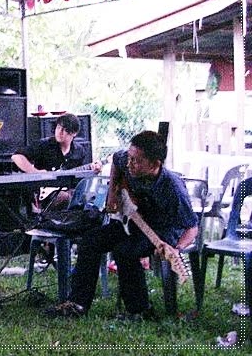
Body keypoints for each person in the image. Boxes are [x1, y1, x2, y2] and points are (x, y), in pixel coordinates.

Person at [46, 131, 198, 319]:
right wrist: (112, 194)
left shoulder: (173, 188)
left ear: (154, 164)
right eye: (130, 158)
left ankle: (140, 310)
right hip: (134, 222)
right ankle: (77, 304)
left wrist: (177, 248)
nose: (129, 163)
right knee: (91, 240)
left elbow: (192, 227)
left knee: (126, 251)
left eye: (136, 161)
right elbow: (117, 160)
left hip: (162, 231)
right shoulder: (127, 160)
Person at [12, 113, 101, 211]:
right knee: (65, 197)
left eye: (65, 130)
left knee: (88, 197)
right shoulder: (44, 145)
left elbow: (83, 177)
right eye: (58, 127)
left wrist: (94, 170)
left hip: (67, 191)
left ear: (74, 133)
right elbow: (17, 156)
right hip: (44, 194)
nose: (60, 132)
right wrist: (34, 172)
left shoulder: (79, 151)